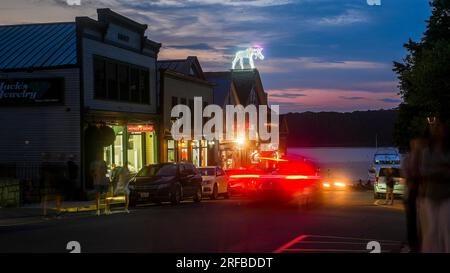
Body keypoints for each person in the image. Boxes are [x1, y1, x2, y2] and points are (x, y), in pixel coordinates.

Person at [418, 118, 450, 252]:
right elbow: (424, 172)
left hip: (446, 194)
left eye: (439, 127)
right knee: (432, 228)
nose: (437, 130)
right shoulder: (427, 152)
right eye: (435, 128)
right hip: (431, 195)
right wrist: (442, 169)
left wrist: (437, 171)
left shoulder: (447, 151)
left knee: (446, 229)